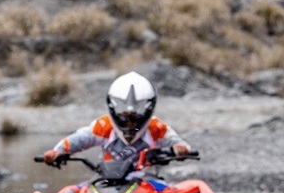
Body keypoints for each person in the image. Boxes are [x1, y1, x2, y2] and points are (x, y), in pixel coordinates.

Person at [42, 71, 191, 176]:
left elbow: (178, 143)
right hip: (107, 181)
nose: (129, 124)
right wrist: (58, 151)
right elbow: (78, 139)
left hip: (147, 183)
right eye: (124, 118)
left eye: (135, 118)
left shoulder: (156, 128)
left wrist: (179, 150)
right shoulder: (103, 126)